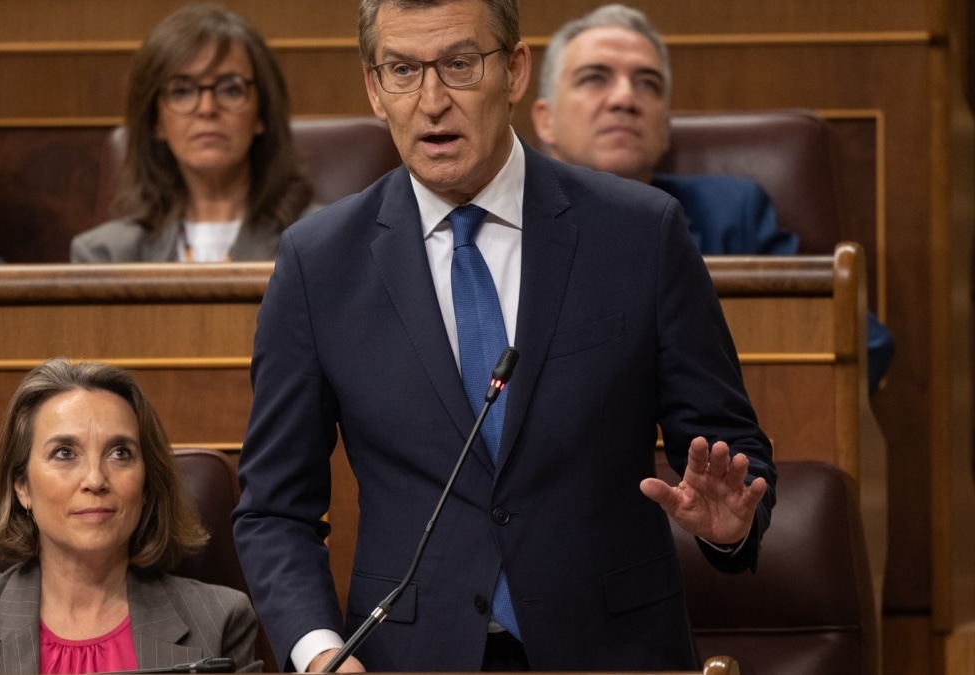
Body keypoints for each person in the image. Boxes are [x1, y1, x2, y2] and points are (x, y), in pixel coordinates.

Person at [232, 0, 775, 672]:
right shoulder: (320, 262)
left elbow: (734, 448)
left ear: (515, 71)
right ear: (374, 88)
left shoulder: (640, 233)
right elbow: (274, 511)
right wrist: (320, 654)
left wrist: (732, 526)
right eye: (403, 69)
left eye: (460, 64)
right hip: (409, 658)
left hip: (613, 652)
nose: (432, 101)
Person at [530, 3, 893, 393]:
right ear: (544, 118)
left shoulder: (731, 213)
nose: (625, 98)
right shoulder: (504, 222)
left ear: (665, 126)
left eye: (647, 83)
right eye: (594, 78)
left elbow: (864, 343)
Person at [0, 359, 261, 674]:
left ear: (147, 483)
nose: (95, 480)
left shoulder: (219, 621)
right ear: (22, 485)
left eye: (120, 453)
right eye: (64, 453)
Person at [71, 3, 315, 263]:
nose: (207, 108)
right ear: (157, 122)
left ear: (262, 114)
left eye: (230, 89)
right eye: (182, 91)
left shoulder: (321, 239)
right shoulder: (106, 254)